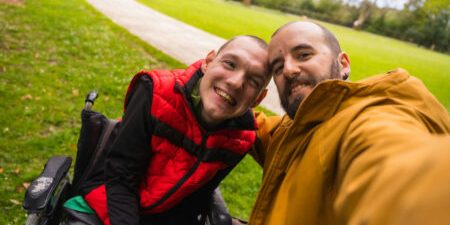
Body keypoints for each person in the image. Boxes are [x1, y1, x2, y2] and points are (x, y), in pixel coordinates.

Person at [248, 21, 450, 225]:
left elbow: (396, 168)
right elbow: (257, 126)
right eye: (278, 66)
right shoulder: (294, 129)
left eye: (304, 55)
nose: (289, 70)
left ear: (343, 63)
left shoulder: (368, 120)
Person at [63, 35, 271, 225]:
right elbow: (120, 176)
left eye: (253, 81)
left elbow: (196, 199)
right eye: (230, 64)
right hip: (109, 201)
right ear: (208, 62)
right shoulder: (154, 92)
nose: (235, 82)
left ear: (258, 98)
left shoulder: (241, 140)